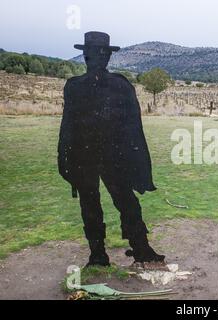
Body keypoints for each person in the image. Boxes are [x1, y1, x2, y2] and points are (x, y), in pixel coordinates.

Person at [58, 31, 165, 267]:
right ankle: (97, 255)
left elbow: (133, 127)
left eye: (101, 54)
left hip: (113, 158)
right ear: (85, 56)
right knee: (90, 206)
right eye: (92, 54)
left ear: (107, 57)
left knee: (127, 203)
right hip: (83, 158)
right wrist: (63, 158)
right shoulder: (74, 87)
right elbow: (67, 125)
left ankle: (141, 249)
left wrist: (136, 161)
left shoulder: (120, 86)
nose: (96, 59)